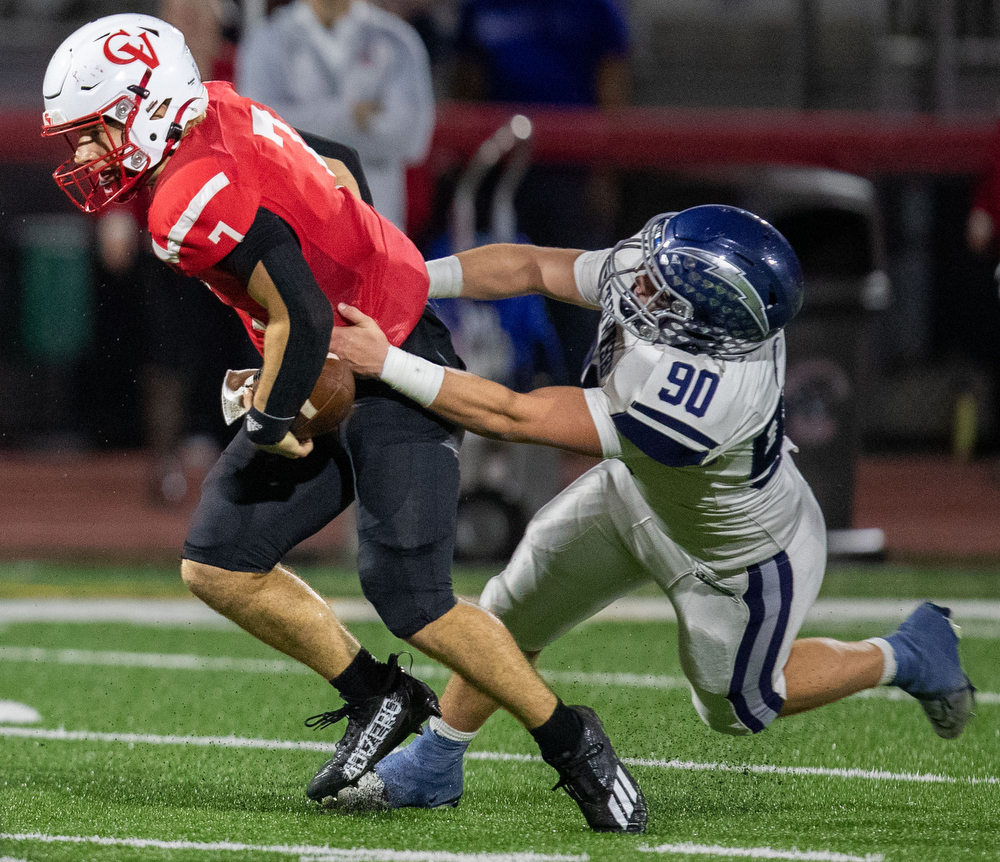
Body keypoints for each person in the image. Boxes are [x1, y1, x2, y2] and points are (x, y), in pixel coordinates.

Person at [40, 14, 645, 834]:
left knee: (414, 597)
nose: (84, 157)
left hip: (393, 355)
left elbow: (309, 321)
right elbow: (341, 164)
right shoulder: (215, 107)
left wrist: (269, 419)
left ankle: (573, 742)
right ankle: (380, 699)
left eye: (96, 131)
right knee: (218, 562)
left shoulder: (183, 201)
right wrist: (330, 282)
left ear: (148, 109)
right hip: (332, 352)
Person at [327, 204, 977, 810]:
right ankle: (437, 762)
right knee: (509, 609)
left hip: (734, 558)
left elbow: (513, 414)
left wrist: (388, 362)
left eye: (665, 291)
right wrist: (411, 276)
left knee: (736, 705)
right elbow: (530, 266)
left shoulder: (707, 397)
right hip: (635, 492)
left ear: (707, 330)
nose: (641, 284)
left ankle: (905, 653)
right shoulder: (670, 283)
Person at [450, 0, 632, 377]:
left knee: (578, 290)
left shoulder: (596, 7)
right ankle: (498, 388)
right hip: (499, 167)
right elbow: (466, 81)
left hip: (571, 173)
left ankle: (583, 393)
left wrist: (604, 173)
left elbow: (612, 86)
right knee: (492, 282)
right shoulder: (481, 6)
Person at [236, 0, 435, 232]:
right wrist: (350, 116)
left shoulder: (397, 40)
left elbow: (413, 137)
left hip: (376, 225)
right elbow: (257, 130)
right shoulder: (267, 40)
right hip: (296, 225)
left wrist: (301, 127)